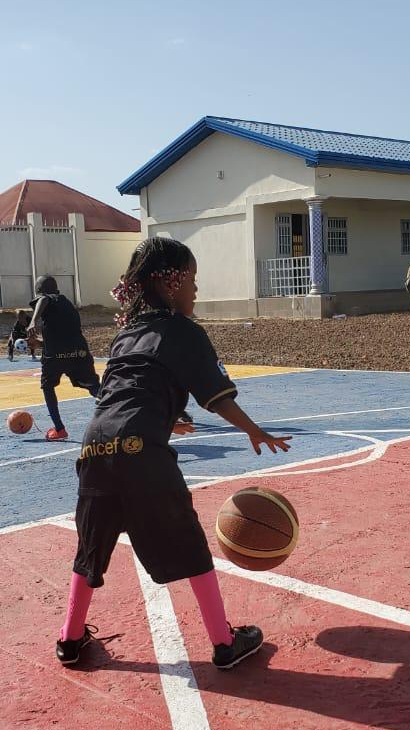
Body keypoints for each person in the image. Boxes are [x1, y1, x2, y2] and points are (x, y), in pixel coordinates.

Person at [58, 237, 292, 670]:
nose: (197, 291)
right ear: (172, 284)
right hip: (141, 451)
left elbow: (122, 397)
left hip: (93, 446)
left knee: (90, 548)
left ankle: (69, 640)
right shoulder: (184, 331)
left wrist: (167, 421)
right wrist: (254, 431)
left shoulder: (127, 335)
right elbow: (216, 398)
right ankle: (224, 643)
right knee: (189, 544)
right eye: (194, 281)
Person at [26, 277, 100, 441]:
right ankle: (117, 410)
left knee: (47, 386)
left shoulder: (46, 299)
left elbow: (44, 299)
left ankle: (59, 429)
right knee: (94, 386)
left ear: (39, 291)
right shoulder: (67, 304)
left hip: (55, 356)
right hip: (79, 351)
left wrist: (33, 321)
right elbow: (63, 338)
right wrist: (39, 343)